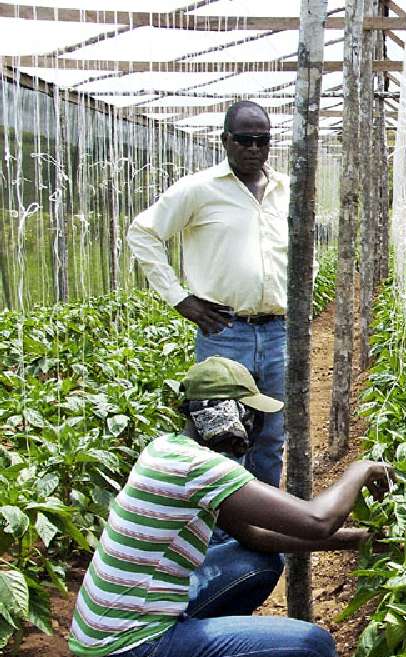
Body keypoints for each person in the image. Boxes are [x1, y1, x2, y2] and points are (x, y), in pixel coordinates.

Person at [68, 356, 394, 657]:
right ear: (227, 414)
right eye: (251, 413)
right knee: (314, 651)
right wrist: (358, 469)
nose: (257, 425)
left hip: (110, 630)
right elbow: (317, 519)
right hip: (126, 652)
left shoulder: (170, 449)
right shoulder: (200, 468)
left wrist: (358, 538)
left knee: (256, 564)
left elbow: (255, 538)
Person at [127, 100, 304, 488]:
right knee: (223, 436)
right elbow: (143, 232)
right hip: (226, 332)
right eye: (244, 139)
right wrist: (179, 298)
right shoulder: (198, 190)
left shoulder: (285, 190)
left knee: (271, 438)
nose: (254, 148)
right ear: (225, 140)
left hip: (277, 332)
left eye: (262, 140)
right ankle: (223, 541)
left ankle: (263, 536)